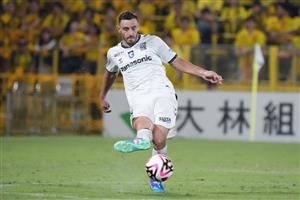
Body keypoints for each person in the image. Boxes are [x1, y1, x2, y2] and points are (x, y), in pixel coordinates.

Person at [99, 11, 223, 193]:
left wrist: (203, 72)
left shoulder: (153, 42)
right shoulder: (114, 53)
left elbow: (177, 61)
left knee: (158, 138)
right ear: (119, 29)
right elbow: (110, 73)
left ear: (138, 26)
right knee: (143, 123)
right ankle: (142, 142)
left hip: (162, 91)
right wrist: (102, 96)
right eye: (126, 29)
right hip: (138, 96)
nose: (131, 32)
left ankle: (149, 161)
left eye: (134, 28)